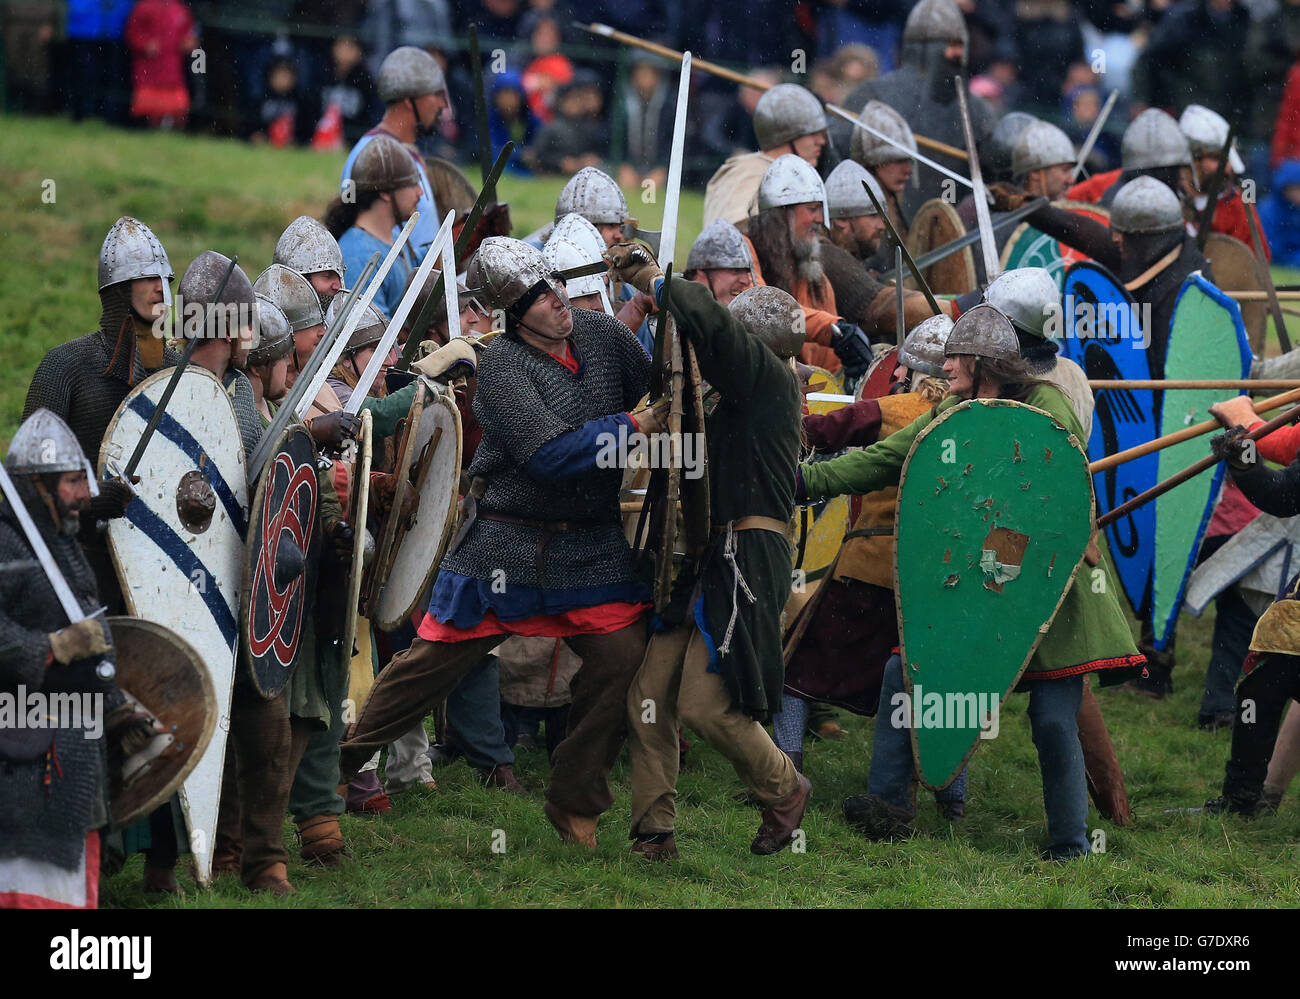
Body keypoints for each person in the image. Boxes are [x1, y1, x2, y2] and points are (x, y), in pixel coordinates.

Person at [338, 237, 658, 847]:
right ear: (512, 314)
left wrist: (658, 302)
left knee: (622, 659)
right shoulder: (502, 367)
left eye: (553, 285)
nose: (555, 301)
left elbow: (660, 379)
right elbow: (550, 456)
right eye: (536, 297)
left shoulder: (601, 333)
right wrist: (633, 425)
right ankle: (340, 770)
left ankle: (574, 798)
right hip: (504, 545)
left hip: (589, 546)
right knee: (429, 667)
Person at [798, 305, 1145, 857]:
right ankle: (888, 805)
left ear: (984, 363)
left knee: (1054, 717)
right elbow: (888, 458)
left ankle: (1074, 842)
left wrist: (1005, 553)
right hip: (978, 583)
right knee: (901, 674)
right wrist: (806, 480)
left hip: (1045, 589)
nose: (944, 365)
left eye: (954, 356)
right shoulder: (955, 409)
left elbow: (1053, 498)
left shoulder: (1045, 405)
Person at [606, 247, 812, 860]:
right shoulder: (737, 397)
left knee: (704, 704)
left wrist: (647, 273)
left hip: (747, 554)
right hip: (703, 554)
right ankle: (654, 831)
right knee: (649, 697)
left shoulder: (769, 381)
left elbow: (703, 316)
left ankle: (784, 788)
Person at [779, 316, 959, 799]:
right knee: (940, 692)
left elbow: (819, 433)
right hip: (936, 584)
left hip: (870, 571)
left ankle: (784, 773)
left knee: (796, 673)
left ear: (908, 372)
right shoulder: (973, 420)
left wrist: (781, 413)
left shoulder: (890, 409)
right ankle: (952, 799)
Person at [0, 410, 158, 908]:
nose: (82, 495)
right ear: (37, 486)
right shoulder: (6, 544)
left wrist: (114, 707)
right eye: (71, 482)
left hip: (74, 739)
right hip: (20, 746)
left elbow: (92, 644)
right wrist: (49, 648)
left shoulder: (63, 545)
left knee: (75, 884)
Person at [23, 216, 178, 611]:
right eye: (146, 278)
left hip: (164, 567)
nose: (160, 288)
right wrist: (89, 498)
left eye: (164, 279)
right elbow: (29, 479)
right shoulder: (66, 366)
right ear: (119, 291)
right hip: (82, 561)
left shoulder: (181, 375)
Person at [832, 0, 996, 217]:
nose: (956, 53)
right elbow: (837, 157)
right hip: (883, 228)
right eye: (948, 45)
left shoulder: (976, 111)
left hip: (950, 234)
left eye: (960, 45)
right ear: (922, 48)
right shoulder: (873, 96)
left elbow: (993, 180)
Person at [745, 154, 872, 378]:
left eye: (821, 210)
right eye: (812, 209)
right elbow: (762, 309)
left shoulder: (816, 280)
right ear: (783, 213)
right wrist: (831, 330)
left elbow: (828, 369)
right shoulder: (744, 251)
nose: (821, 219)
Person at [342, 45, 449, 261]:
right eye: (436, 95)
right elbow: (361, 243)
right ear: (409, 102)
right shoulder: (369, 156)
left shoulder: (405, 155)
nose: (443, 104)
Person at [703, 83, 830, 227]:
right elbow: (734, 232)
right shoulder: (748, 173)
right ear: (787, 135)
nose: (821, 141)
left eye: (822, 134)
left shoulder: (783, 174)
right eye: (813, 134)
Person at [327, 133, 422, 320]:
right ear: (386, 192)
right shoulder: (359, 256)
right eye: (412, 184)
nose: (420, 192)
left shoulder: (393, 239)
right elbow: (375, 339)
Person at [1180, 104, 1269, 255]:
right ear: (1191, 160)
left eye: (1228, 159)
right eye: (1216, 158)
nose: (1227, 167)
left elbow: (1256, 264)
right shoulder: (1165, 199)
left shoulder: (1238, 206)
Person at [123, 0, 197, 130]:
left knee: (178, 109)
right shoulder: (144, 7)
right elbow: (132, 32)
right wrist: (145, 44)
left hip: (174, 71)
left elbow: (189, 31)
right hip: (150, 70)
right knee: (150, 110)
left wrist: (189, 41)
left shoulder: (179, 8)